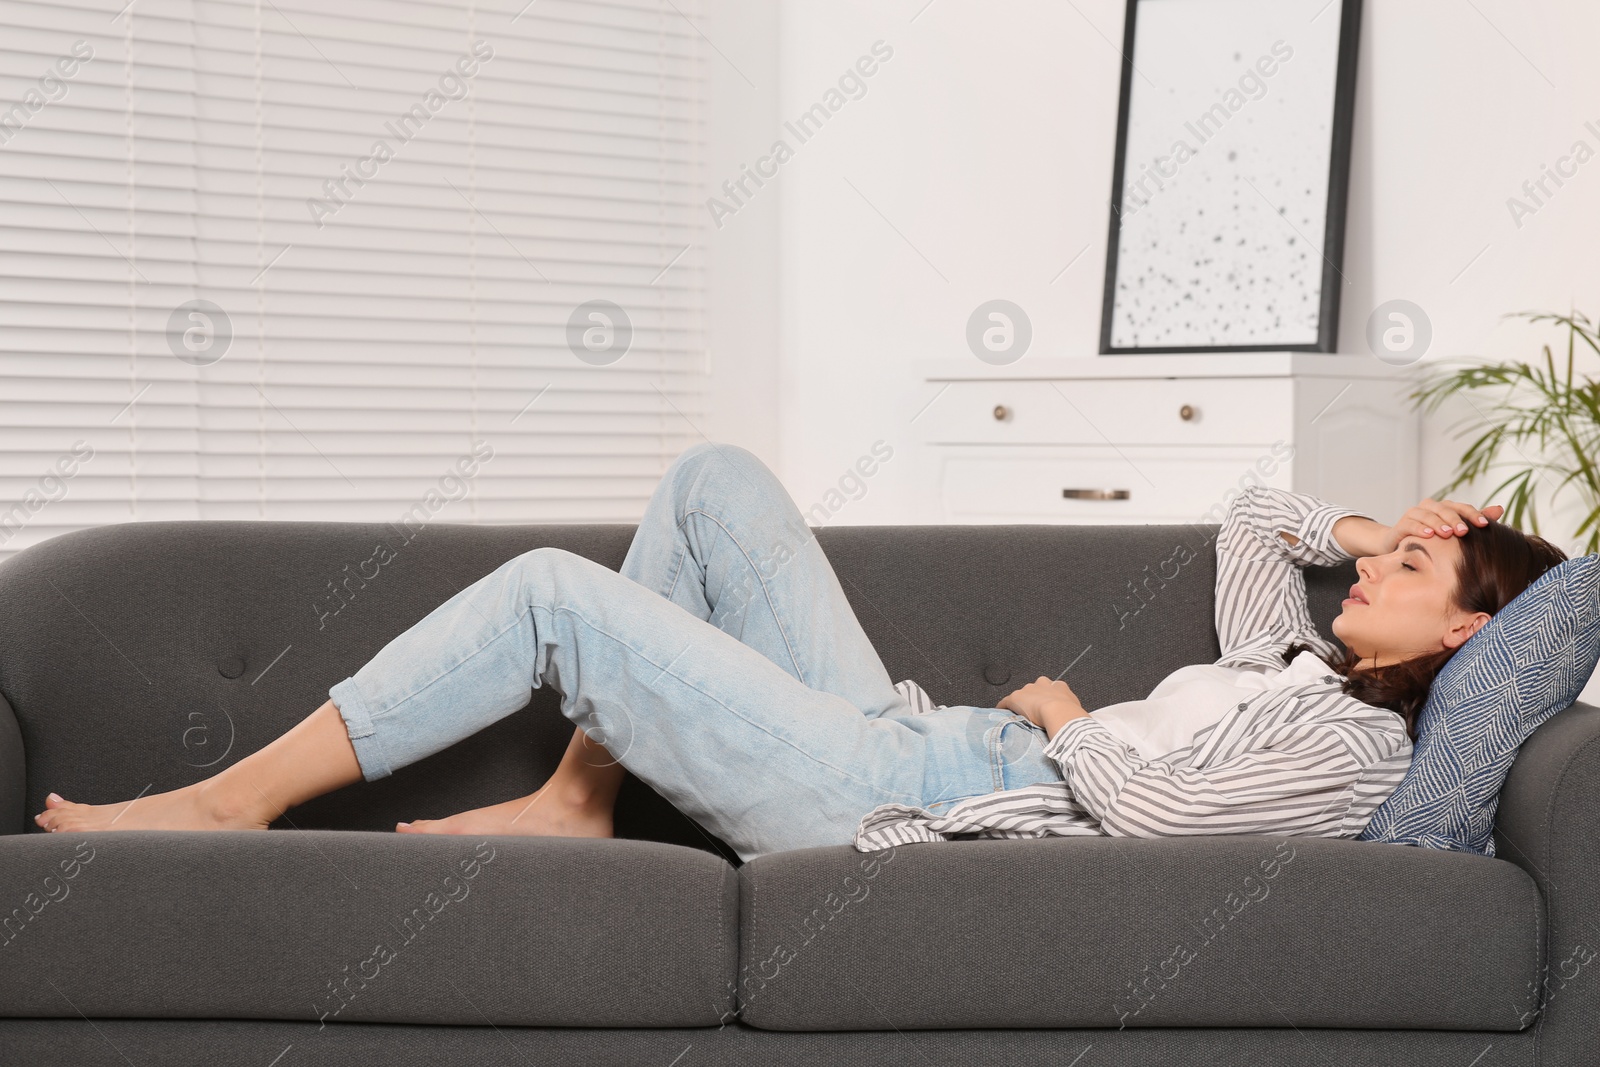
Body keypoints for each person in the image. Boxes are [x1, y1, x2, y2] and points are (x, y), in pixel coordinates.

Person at [31, 443, 1566, 862]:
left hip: (908, 796)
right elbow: (1249, 516)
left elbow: (1159, 817)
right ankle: (577, 798)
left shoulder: (1361, 746)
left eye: (1423, 570)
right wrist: (1374, 531)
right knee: (714, 481)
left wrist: (1069, 718)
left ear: (1474, 633)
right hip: (922, 733)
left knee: (557, 593)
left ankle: (236, 804)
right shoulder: (1292, 667)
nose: (1383, 572)